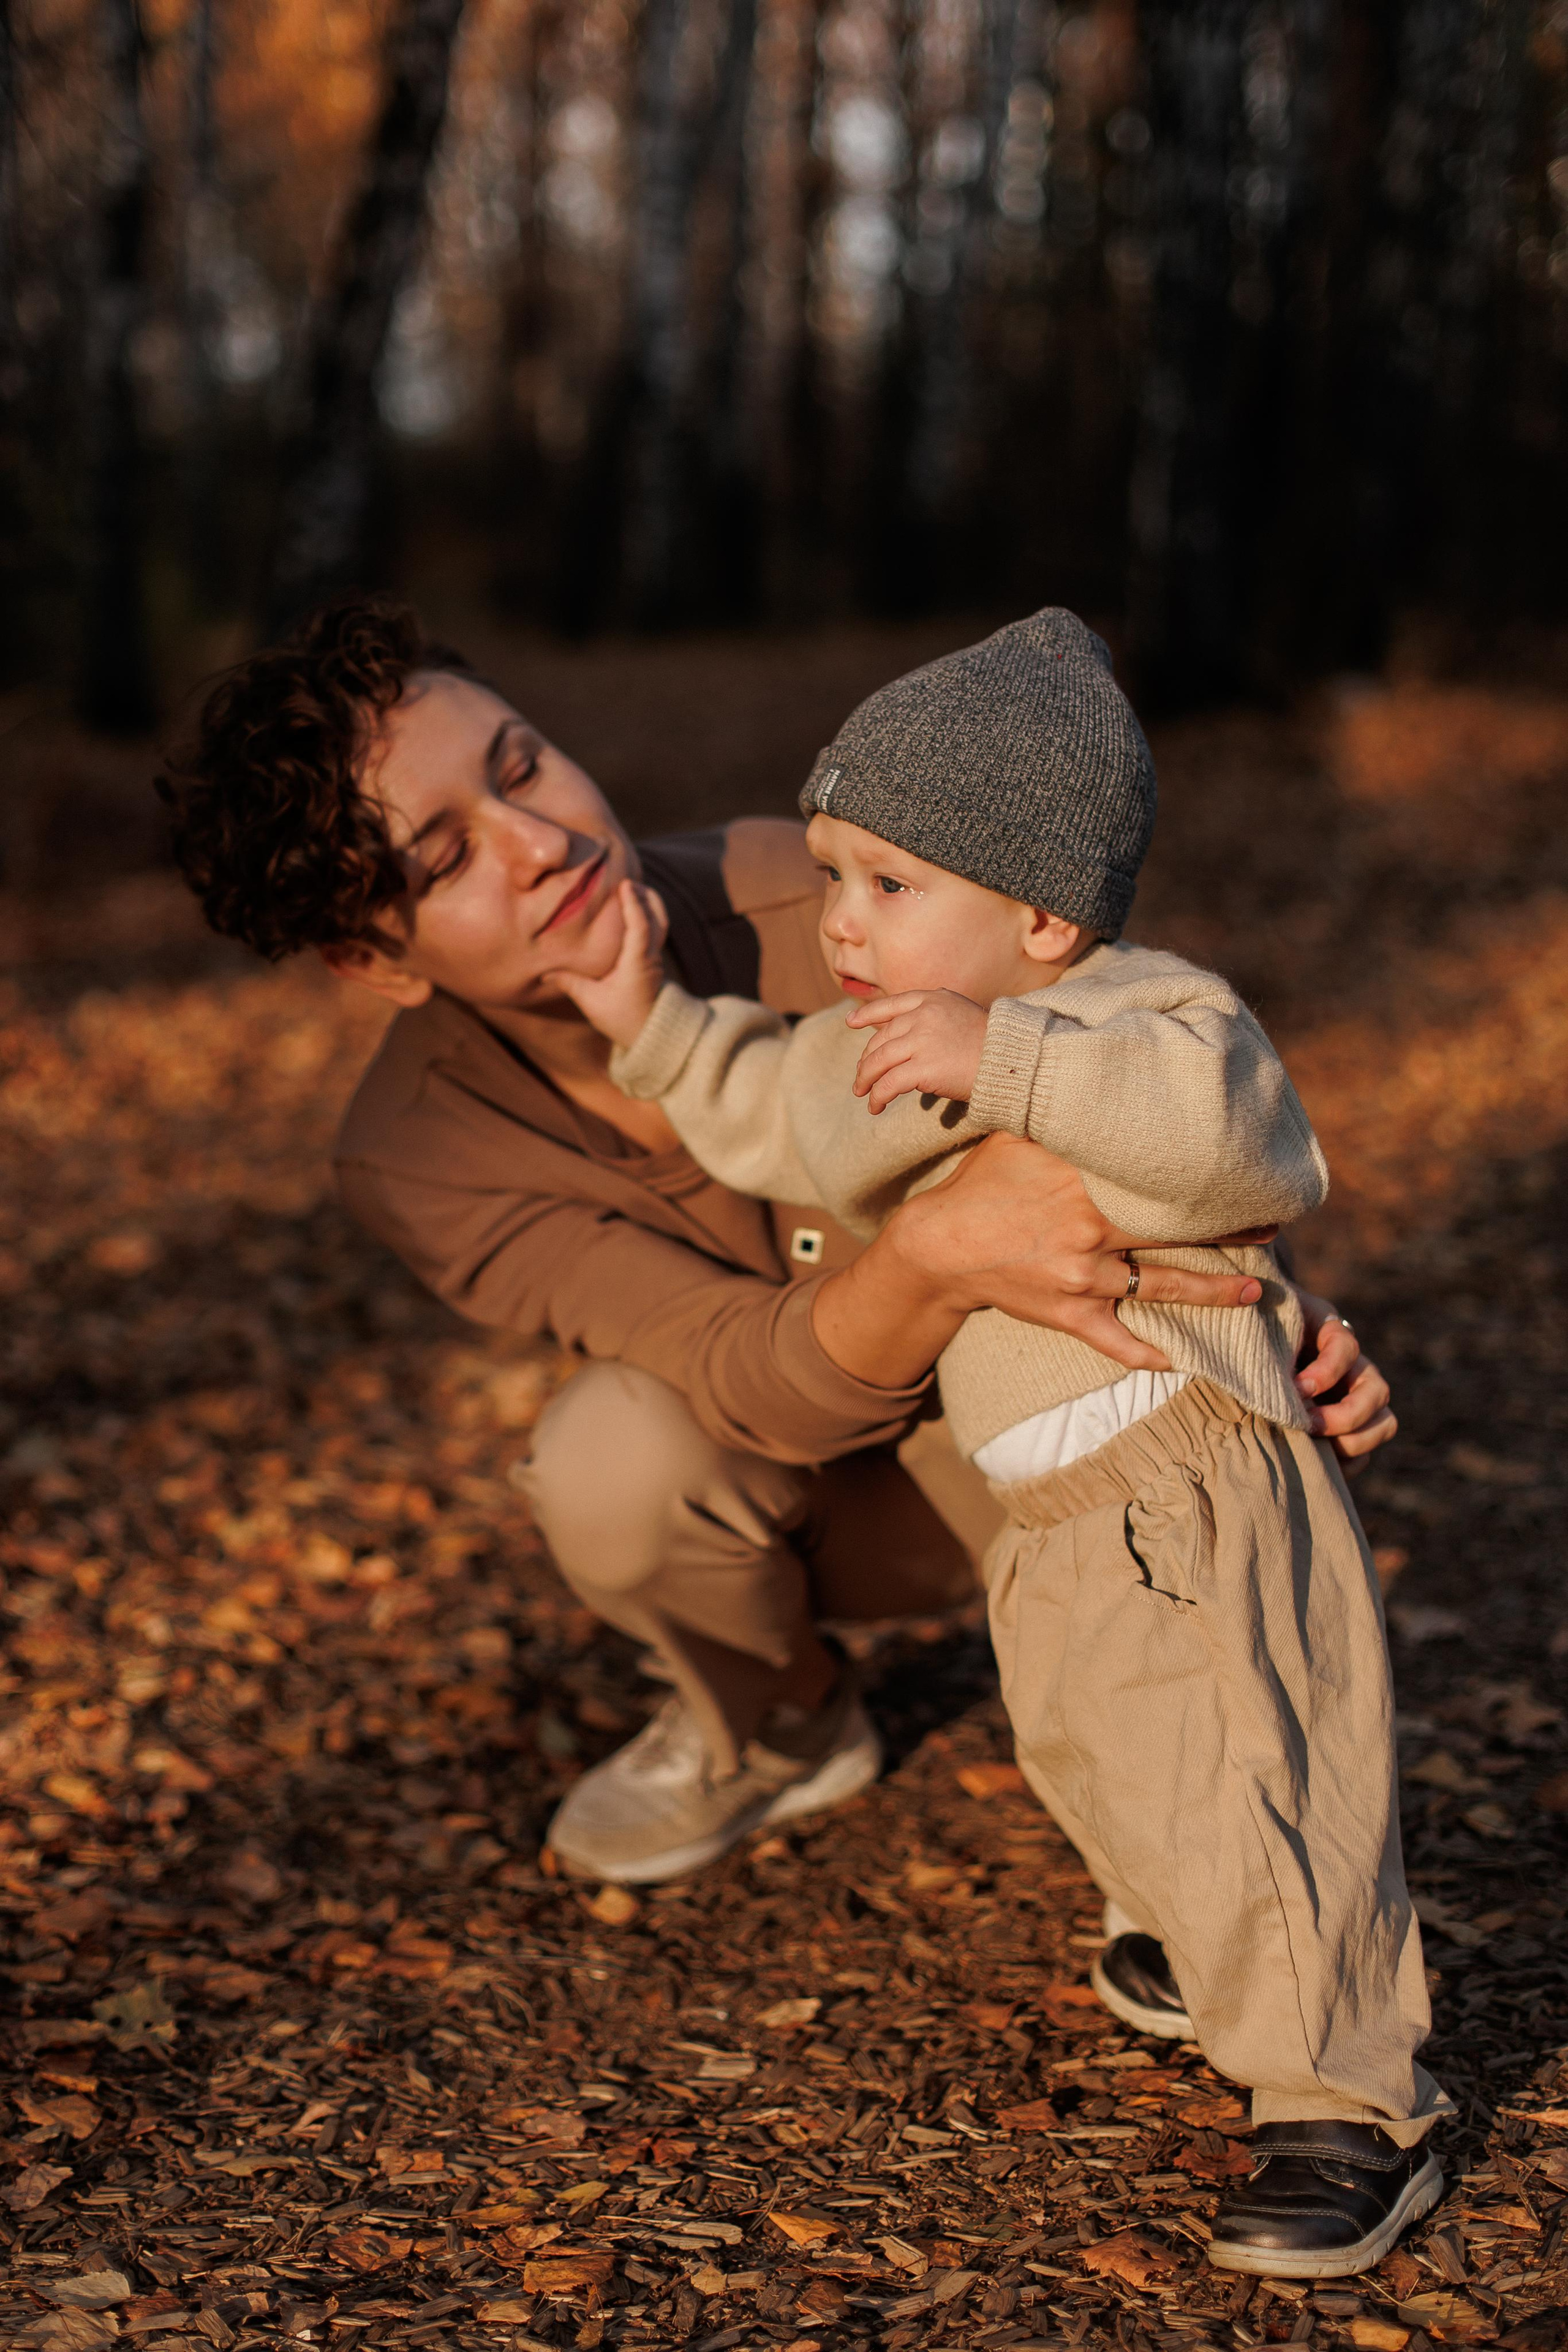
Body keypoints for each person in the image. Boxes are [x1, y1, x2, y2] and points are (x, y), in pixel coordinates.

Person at [155, 596, 1396, 2090]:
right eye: (445, 857)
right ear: (374, 956)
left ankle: (1277, 1977)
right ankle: (784, 1722)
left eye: (522, 764)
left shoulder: (826, 889)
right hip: (811, 1473)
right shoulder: (418, 1151)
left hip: (1044, 1417)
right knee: (608, 1456)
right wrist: (938, 1246)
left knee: (1162, 1666)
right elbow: (747, 1373)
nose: (538, 840)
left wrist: (1275, 1311)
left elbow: (1130, 1063)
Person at [560, 608, 1448, 2280]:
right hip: (1045, 1514)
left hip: (1192, 1467)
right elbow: (768, 1100)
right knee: (1096, 1756)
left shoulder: (1140, 1016)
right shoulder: (881, 1055)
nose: (843, 924)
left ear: (1041, 912)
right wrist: (651, 1024)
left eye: (890, 885)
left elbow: (1244, 1144)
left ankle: (1351, 2103)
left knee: (1255, 1779)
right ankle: (1200, 1940)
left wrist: (1016, 1064)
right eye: (832, 877)